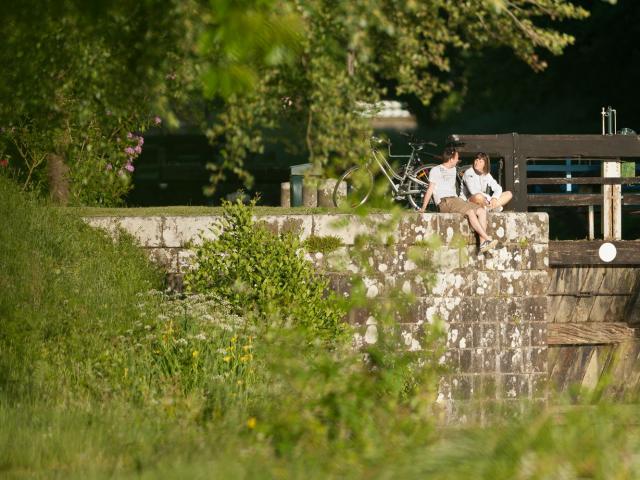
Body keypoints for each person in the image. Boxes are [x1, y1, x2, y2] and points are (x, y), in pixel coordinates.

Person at [419, 146, 497, 253]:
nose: (458, 160)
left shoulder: (454, 169)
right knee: (470, 212)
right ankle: (486, 238)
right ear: (451, 159)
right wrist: (423, 207)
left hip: (456, 200)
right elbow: (430, 189)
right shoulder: (435, 170)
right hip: (444, 201)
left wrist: (482, 166)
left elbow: (471, 171)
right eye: (456, 158)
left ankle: (483, 243)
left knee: (481, 211)